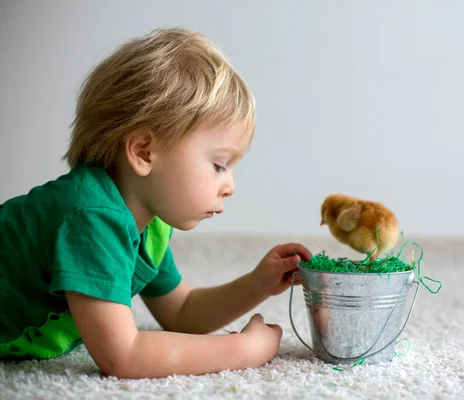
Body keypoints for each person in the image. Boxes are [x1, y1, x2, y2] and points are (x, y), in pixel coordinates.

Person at [0, 27, 312, 379]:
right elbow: (124, 356)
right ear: (144, 152)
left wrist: (258, 283)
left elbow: (181, 311)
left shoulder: (147, 223)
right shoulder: (92, 217)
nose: (230, 187)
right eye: (219, 165)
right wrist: (243, 350)